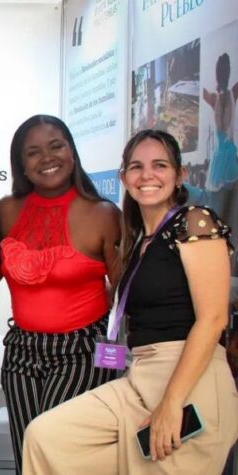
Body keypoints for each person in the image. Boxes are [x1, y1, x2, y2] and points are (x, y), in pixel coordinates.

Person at [22, 129, 238, 474]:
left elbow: (213, 320)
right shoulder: (139, 241)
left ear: (180, 175)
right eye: (137, 167)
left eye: (160, 165)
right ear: (124, 177)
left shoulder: (195, 221)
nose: (147, 175)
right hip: (138, 377)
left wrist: (171, 402)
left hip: (190, 378)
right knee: (45, 437)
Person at [0, 115, 120, 472]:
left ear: (72, 152)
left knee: (57, 450)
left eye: (56, 146)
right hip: (21, 350)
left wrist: (117, 358)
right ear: (21, 164)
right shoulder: (5, 211)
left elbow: (123, 293)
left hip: (82, 351)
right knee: (27, 454)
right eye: (33, 152)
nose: (46, 158)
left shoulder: (103, 214)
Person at [203, 53, 238, 191]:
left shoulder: (215, 98)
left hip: (219, 158)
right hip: (227, 155)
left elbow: (202, 92)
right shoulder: (232, 93)